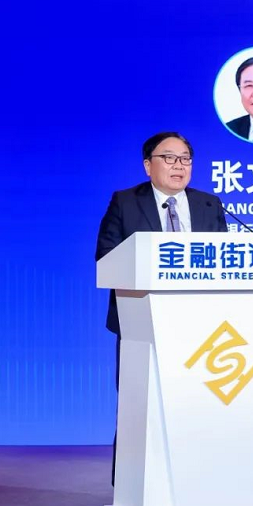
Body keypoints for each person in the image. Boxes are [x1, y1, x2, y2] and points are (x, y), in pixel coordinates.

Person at [95, 131, 227, 483]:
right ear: (147, 165)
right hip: (141, 323)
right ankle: (131, 483)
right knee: (140, 403)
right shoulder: (125, 202)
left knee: (197, 403)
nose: (178, 165)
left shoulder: (209, 204)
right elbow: (106, 257)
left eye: (185, 158)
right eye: (169, 157)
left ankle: (196, 478)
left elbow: (224, 261)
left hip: (201, 326)